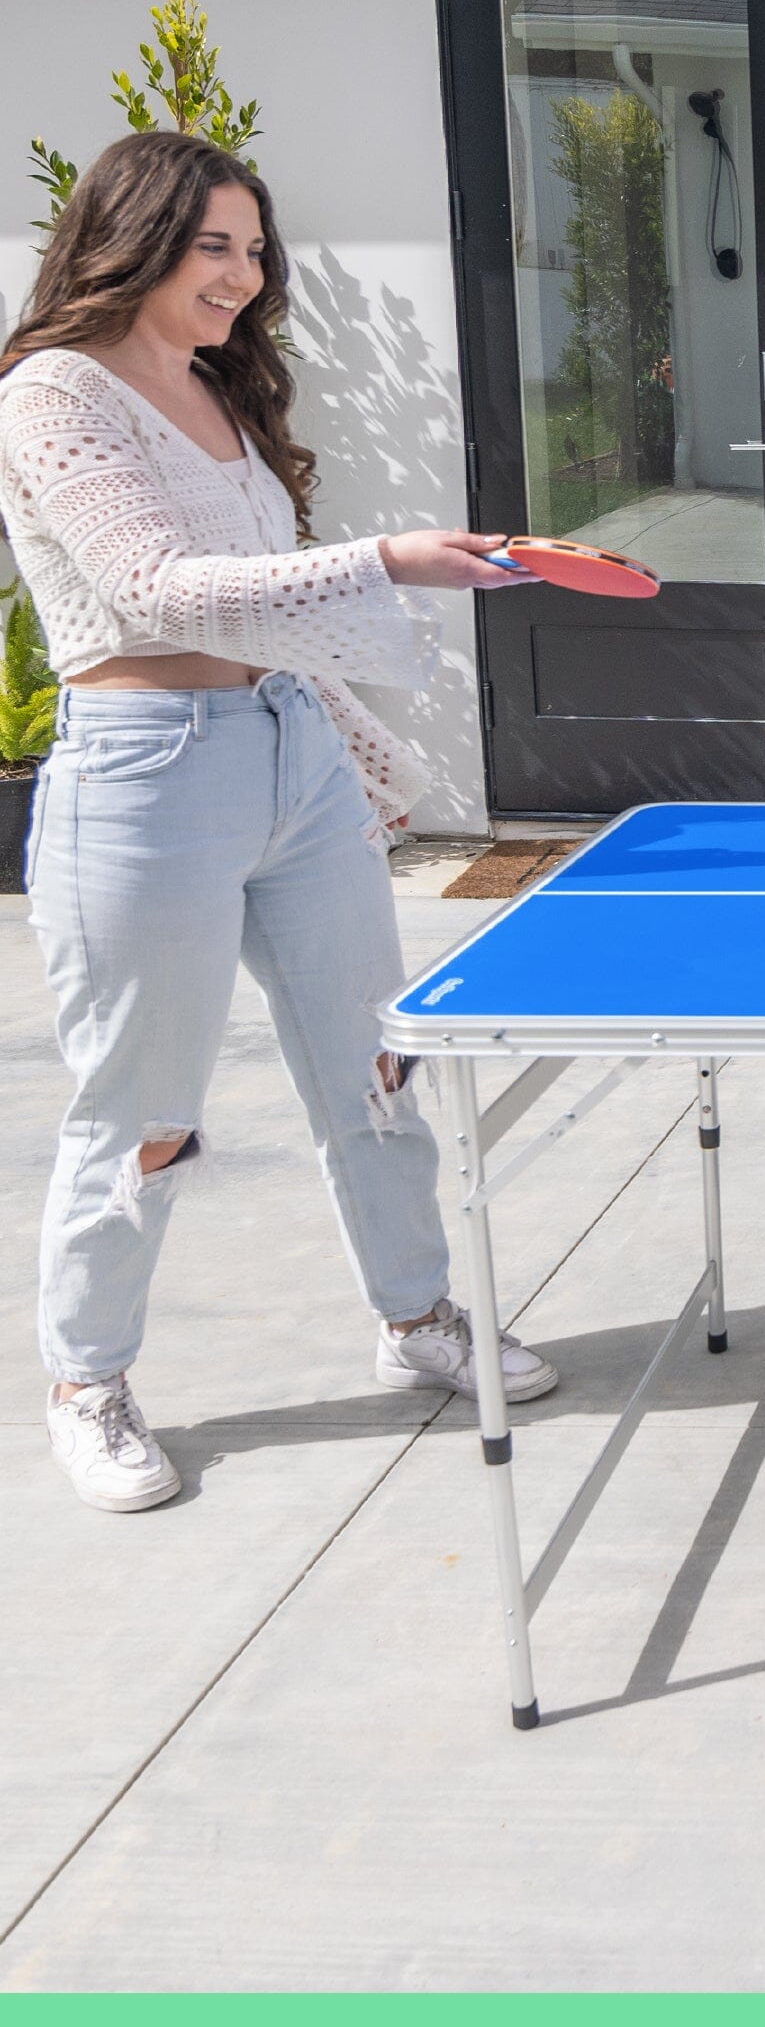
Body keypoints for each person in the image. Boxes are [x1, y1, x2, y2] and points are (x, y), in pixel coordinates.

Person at [0, 129, 561, 1515]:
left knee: (378, 1063)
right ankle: (90, 1382)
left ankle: (416, 1312)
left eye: (255, 252)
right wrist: (390, 559)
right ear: (128, 239)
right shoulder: (53, 393)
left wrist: (343, 752)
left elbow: (260, 623)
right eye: (214, 248)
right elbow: (160, 588)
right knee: (142, 1110)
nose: (244, 278)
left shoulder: (217, 393)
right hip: (142, 781)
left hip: (287, 758)